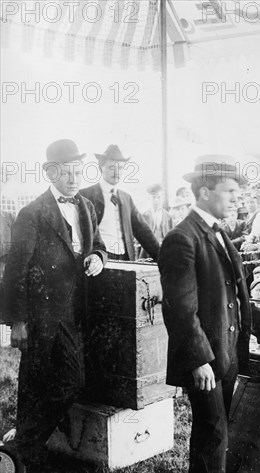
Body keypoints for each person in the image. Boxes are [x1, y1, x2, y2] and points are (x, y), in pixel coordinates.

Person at [158, 159, 260, 473]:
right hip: (206, 357)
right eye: (229, 191)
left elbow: (230, 293)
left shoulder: (216, 233)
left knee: (214, 432)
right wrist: (198, 360)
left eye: (237, 191)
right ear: (204, 192)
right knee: (215, 431)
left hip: (226, 350)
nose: (236, 198)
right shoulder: (183, 238)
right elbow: (180, 309)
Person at [2, 139, 107, 467]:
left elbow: (99, 245)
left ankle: (19, 448)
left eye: (78, 172)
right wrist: (17, 322)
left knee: (67, 381)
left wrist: (98, 258)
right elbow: (16, 269)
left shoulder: (86, 208)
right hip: (42, 315)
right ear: (51, 173)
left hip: (74, 312)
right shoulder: (32, 213)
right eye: (67, 173)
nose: (74, 179)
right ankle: (24, 452)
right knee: (38, 382)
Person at [80, 144, 159, 261]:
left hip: (125, 258)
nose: (117, 172)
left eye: (121, 168)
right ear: (101, 167)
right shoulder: (86, 195)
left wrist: (162, 258)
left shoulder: (126, 198)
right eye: (112, 167)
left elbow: (143, 231)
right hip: (99, 259)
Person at [141, 183, 173, 259]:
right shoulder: (143, 216)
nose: (156, 200)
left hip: (165, 251)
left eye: (159, 197)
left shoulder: (168, 216)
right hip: (147, 252)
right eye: (153, 197)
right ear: (149, 198)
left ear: (163, 198)